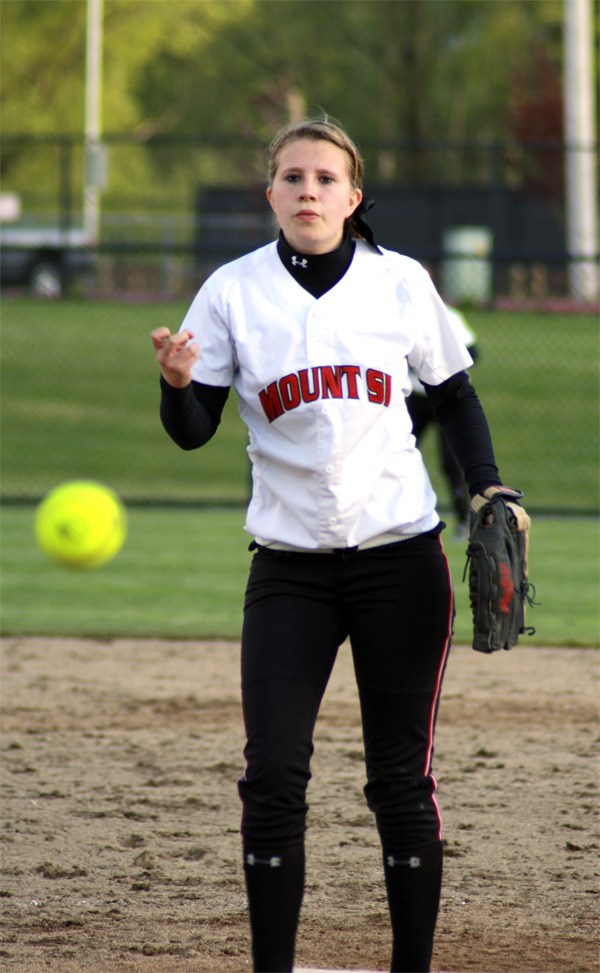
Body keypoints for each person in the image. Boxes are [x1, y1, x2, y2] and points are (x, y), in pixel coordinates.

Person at [151, 116, 528, 973]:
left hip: (400, 558)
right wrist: (175, 385)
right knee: (273, 773)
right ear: (271, 194)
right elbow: (192, 430)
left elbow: (455, 394)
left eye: (325, 177)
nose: (308, 190)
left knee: (400, 777)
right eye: (292, 177)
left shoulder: (399, 283)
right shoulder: (232, 292)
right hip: (289, 571)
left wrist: (489, 483)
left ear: (353, 197)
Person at [405, 305, 477, 538]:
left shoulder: (448, 316)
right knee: (396, 451)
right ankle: (402, 515)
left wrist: (441, 365)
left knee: (451, 460)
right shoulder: (399, 312)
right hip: (415, 396)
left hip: (445, 393)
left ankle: (464, 519)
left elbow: (473, 352)